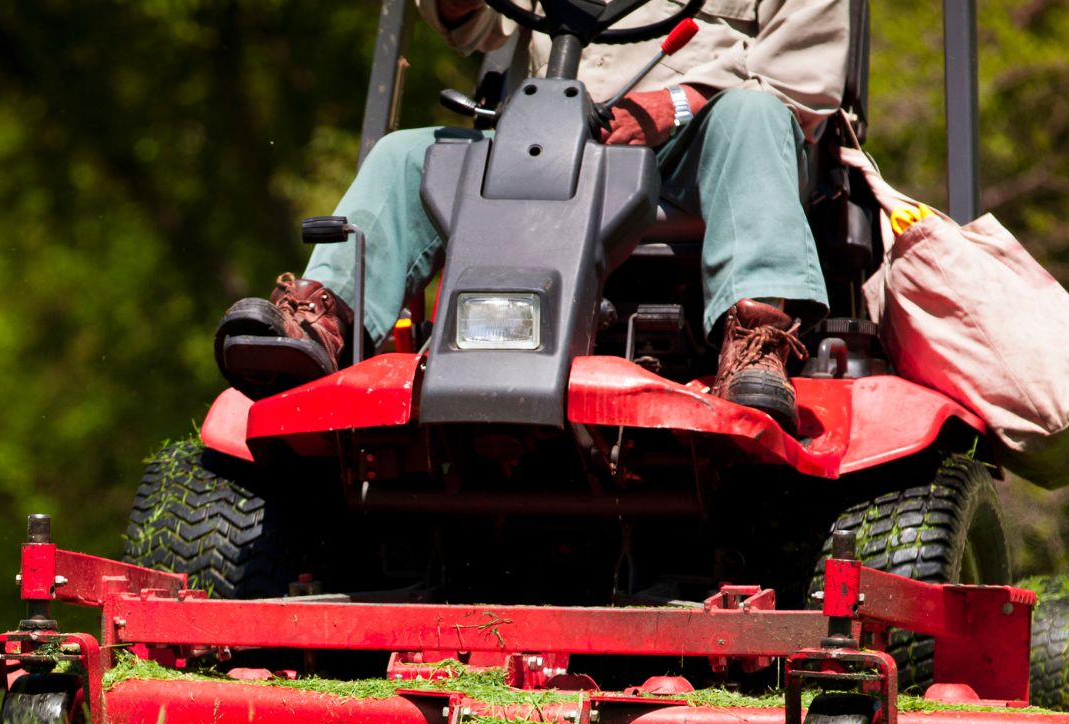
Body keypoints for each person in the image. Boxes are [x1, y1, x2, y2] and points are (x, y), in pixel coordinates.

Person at [214, 0, 849, 431]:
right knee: (407, 154)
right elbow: (476, 25)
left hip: (699, 148)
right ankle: (321, 324)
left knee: (754, 115)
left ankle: (758, 342)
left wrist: (677, 105)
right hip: (546, 139)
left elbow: (802, 84)